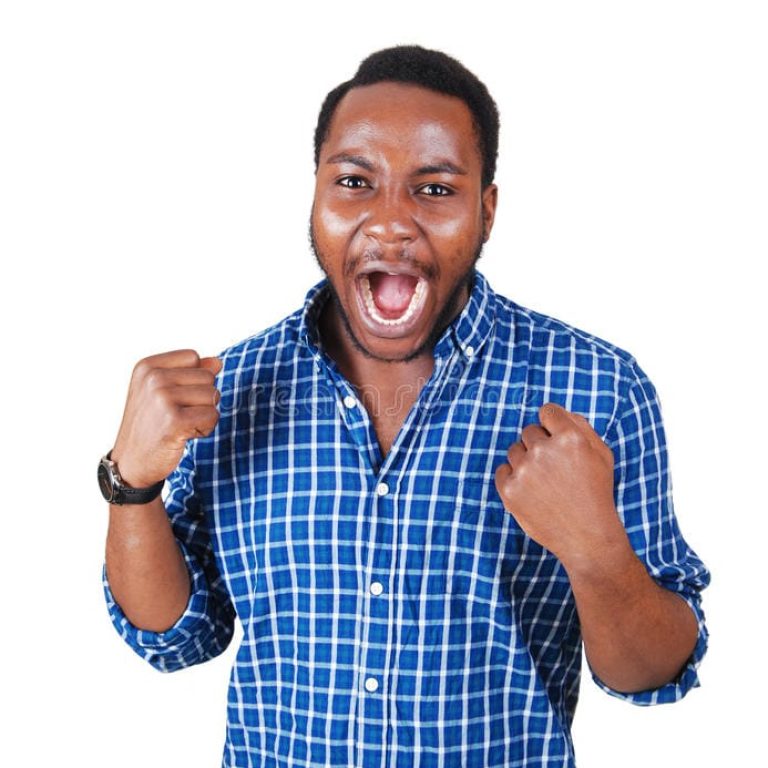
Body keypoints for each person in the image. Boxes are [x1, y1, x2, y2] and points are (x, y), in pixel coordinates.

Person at [100, 45, 710, 768]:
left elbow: (654, 676)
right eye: (355, 181)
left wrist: (595, 548)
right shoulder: (232, 387)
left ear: (486, 210)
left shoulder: (596, 390)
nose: (389, 221)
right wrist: (130, 486)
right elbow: (176, 640)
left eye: (434, 189)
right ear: (316, 195)